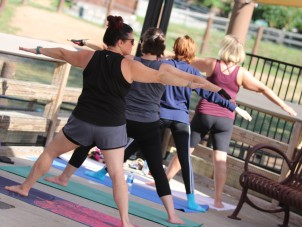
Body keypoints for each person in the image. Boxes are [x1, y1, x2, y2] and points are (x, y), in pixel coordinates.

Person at [4, 16, 213, 226]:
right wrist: (191, 83)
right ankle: (125, 221)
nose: (134, 44)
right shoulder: (129, 65)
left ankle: (25, 187)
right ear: (120, 42)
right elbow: (160, 77)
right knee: (116, 174)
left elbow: (61, 53)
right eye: (131, 41)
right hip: (111, 127)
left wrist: (38, 49)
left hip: (82, 121)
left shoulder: (89, 57)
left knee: (50, 152)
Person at [42, 28, 251, 215]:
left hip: (122, 119)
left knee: (88, 140)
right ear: (163, 48)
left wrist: (84, 43)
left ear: (142, 44)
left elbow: (106, 50)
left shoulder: (131, 61)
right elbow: (202, 85)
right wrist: (231, 105)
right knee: (160, 167)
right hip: (150, 122)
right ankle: (172, 213)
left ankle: (65, 176)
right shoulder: (165, 68)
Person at [164, 34, 297, 209]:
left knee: (185, 151)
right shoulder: (241, 73)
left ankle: (163, 182)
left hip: (204, 114)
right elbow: (263, 88)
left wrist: (163, 56)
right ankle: (217, 200)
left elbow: (185, 61)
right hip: (225, 119)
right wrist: (284, 106)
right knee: (220, 160)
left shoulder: (212, 64)